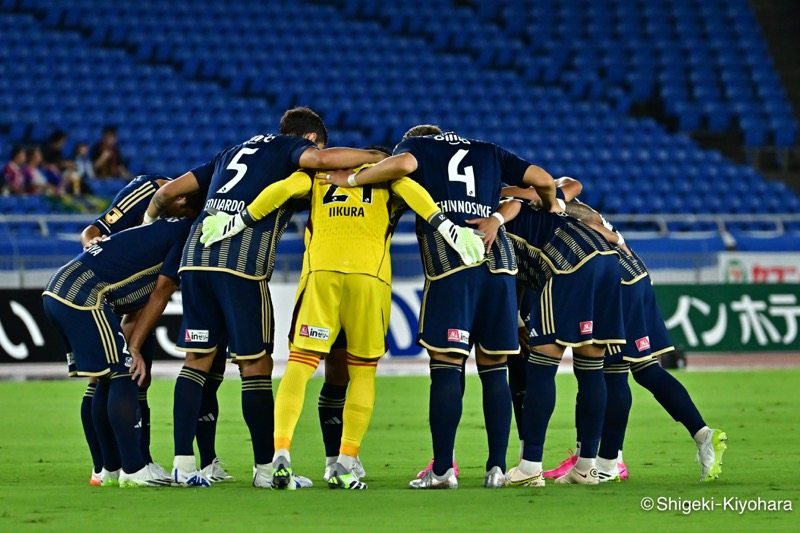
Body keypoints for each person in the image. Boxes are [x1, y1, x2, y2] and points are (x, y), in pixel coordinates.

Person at [201, 146, 484, 490]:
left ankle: (281, 453)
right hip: (370, 278)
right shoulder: (387, 178)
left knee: (300, 365)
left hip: (321, 274)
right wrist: (449, 228)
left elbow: (283, 189)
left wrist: (236, 221)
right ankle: (345, 464)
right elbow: (414, 192)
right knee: (362, 370)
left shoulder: (318, 176)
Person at [143, 106, 386, 488]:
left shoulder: (229, 153)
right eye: (318, 148)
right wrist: (373, 156)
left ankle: (183, 465)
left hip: (195, 259)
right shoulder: (289, 149)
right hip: (240, 264)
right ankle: (265, 470)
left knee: (196, 362)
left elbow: (167, 192)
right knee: (256, 365)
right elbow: (321, 161)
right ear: (309, 140)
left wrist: (147, 226)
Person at [325, 125, 557, 489]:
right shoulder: (489, 150)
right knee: (495, 368)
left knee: (447, 365)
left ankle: (443, 471)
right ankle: (497, 469)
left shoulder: (418, 148)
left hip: (452, 264)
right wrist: (548, 204)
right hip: (500, 266)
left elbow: (402, 164)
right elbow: (541, 180)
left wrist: (352, 179)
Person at [541, 195, 728, 483]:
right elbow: (600, 223)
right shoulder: (577, 210)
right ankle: (702, 435)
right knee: (644, 368)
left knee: (609, 372)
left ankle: (607, 462)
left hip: (615, 284)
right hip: (635, 275)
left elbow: (589, 219)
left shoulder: (556, 215)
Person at [78, 175, 231, 486]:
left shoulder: (188, 210)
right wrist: (91, 245)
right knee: (105, 377)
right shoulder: (145, 190)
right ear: (180, 199)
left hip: (137, 298)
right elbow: (93, 230)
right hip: (105, 292)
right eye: (187, 214)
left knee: (138, 381)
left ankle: (141, 461)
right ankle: (103, 467)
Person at [42, 198, 200, 487]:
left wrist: (131, 345)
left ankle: (110, 469)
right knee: (124, 373)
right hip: (83, 294)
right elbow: (161, 292)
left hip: (60, 290)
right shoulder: (188, 232)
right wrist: (134, 348)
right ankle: (134, 469)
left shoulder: (161, 230)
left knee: (106, 378)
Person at [471, 189, 625, 486]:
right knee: (591, 368)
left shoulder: (493, 214)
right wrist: (518, 319)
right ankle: (587, 467)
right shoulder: (533, 206)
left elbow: (505, 267)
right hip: (606, 260)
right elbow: (517, 276)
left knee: (541, 366)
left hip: (566, 263)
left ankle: (530, 467)